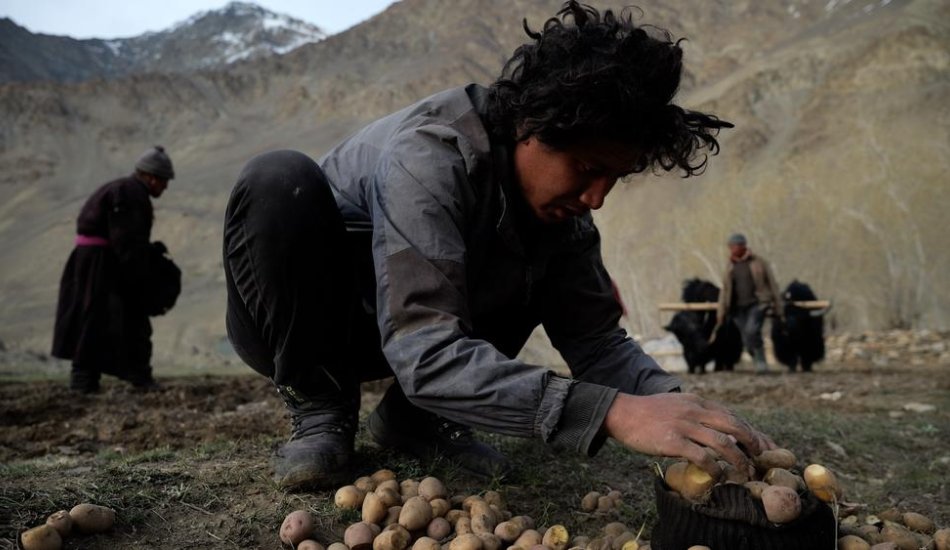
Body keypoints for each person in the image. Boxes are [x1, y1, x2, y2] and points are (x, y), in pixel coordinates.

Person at [223, 1, 775, 490]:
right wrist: (612, 413)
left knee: (529, 251)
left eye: (615, 177)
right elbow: (426, 352)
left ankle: (412, 421)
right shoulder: (434, 155)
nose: (597, 198)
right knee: (279, 179)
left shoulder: (563, 215)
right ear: (531, 124)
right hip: (306, 325)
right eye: (586, 169)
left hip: (417, 335)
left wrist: (682, 409)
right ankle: (321, 408)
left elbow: (597, 344)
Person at [52, 146, 175, 393]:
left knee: (95, 320)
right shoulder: (130, 193)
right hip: (103, 265)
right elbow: (126, 240)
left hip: (94, 262)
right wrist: (139, 276)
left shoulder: (123, 189)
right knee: (113, 319)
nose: (165, 188)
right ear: (152, 177)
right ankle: (98, 379)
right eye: (164, 181)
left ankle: (89, 379)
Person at [714, 233, 785, 374]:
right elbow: (725, 290)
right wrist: (721, 311)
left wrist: (778, 305)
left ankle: (761, 364)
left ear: (743, 246)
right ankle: (757, 359)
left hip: (757, 303)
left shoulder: (758, 262)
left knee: (752, 331)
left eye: (735, 246)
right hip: (737, 307)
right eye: (731, 247)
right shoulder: (730, 266)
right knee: (746, 339)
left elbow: (772, 284)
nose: (732, 249)